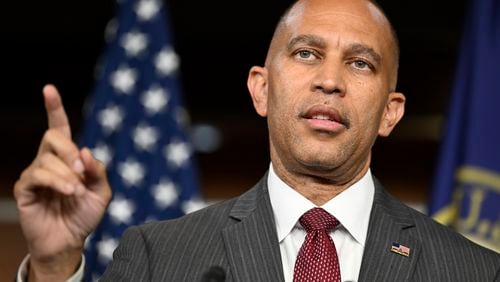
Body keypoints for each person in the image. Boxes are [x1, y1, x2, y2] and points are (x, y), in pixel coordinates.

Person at [14, 0, 500, 281]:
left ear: (391, 113)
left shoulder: (473, 272)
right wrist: (54, 265)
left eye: (360, 63)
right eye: (306, 53)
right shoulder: (158, 257)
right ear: (261, 88)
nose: (329, 80)